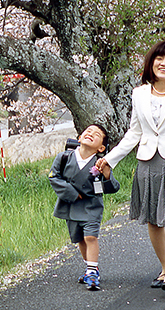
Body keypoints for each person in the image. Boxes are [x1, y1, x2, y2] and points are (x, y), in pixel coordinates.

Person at [95, 41, 165, 295]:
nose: (163, 63)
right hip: (147, 161)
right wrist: (111, 158)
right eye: (159, 58)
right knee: (154, 220)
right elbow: (134, 133)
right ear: (151, 62)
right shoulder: (139, 93)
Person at [48, 124, 120, 291]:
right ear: (79, 137)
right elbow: (53, 177)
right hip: (71, 205)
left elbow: (113, 188)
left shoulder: (99, 163)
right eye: (88, 131)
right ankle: (91, 267)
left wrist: (107, 174)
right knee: (80, 239)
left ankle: (92, 272)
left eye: (96, 134)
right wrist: (72, 193)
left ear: (102, 147)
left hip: (91, 207)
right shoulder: (64, 157)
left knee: (90, 237)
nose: (90, 134)